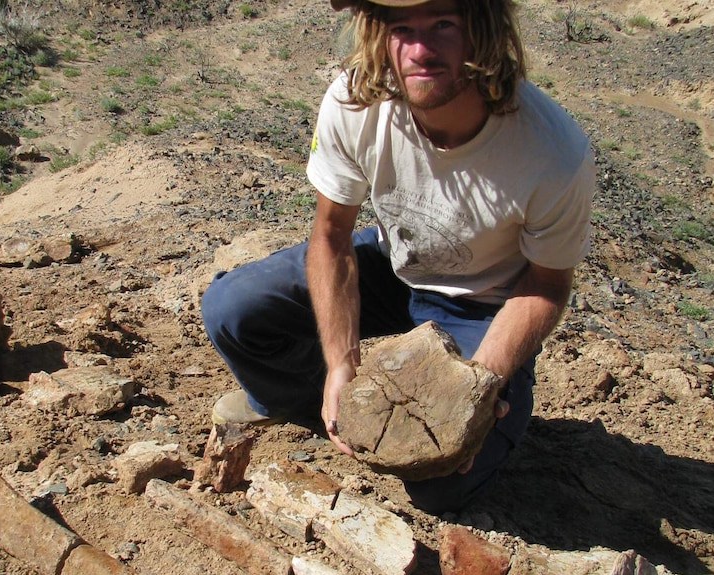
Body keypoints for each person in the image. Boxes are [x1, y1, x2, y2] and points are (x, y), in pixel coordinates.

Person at [201, 0, 595, 514]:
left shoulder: (552, 152)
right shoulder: (355, 101)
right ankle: (304, 401)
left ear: (484, 34)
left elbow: (545, 285)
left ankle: (475, 421)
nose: (420, 50)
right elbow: (332, 234)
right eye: (402, 28)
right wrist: (340, 364)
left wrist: (473, 393)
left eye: (444, 26)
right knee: (233, 308)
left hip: (487, 304)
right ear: (379, 36)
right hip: (394, 263)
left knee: (444, 482)